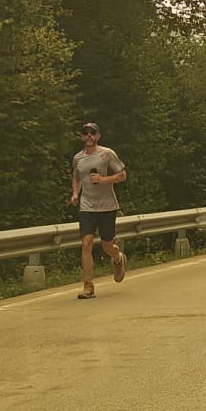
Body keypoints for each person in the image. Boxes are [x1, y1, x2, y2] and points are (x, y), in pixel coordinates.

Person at [69, 122, 127, 299]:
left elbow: (122, 175)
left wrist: (103, 179)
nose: (89, 135)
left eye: (92, 133)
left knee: (107, 245)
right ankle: (88, 286)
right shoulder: (78, 158)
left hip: (107, 206)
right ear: (82, 136)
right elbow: (77, 177)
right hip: (87, 206)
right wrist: (75, 193)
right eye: (85, 133)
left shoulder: (106, 154)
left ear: (98, 136)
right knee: (86, 244)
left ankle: (118, 258)